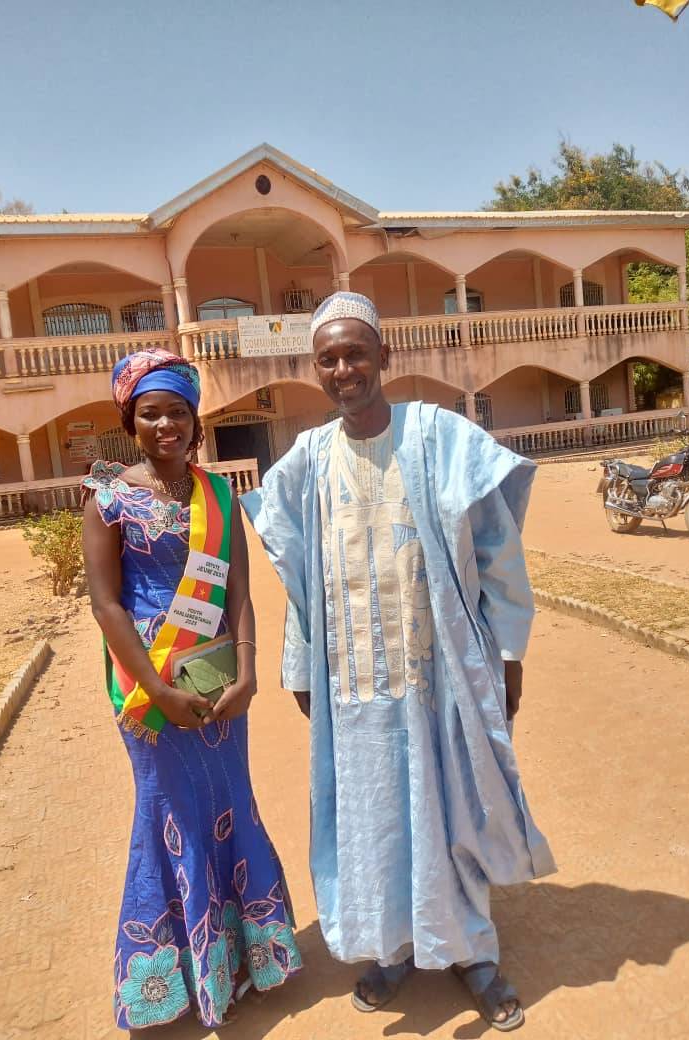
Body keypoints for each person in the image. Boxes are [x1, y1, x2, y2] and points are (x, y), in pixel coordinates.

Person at [242, 292, 555, 1032]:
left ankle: (472, 951)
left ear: (385, 357)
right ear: (315, 368)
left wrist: (507, 654)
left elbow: (497, 549)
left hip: (440, 669)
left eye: (356, 353)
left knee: (453, 804)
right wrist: (300, 667)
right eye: (329, 357)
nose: (344, 368)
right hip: (352, 687)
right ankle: (391, 949)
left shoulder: (440, 436)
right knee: (372, 817)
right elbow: (296, 574)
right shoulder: (307, 461)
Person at [82, 349, 301, 1032]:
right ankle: (171, 976)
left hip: (215, 681)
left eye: (177, 411)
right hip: (147, 688)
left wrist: (249, 668)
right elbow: (106, 603)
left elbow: (237, 585)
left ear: (193, 420)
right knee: (166, 811)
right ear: (131, 421)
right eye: (151, 413)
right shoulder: (108, 497)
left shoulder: (216, 496)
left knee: (228, 802)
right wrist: (155, 687)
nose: (166, 424)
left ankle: (247, 958)